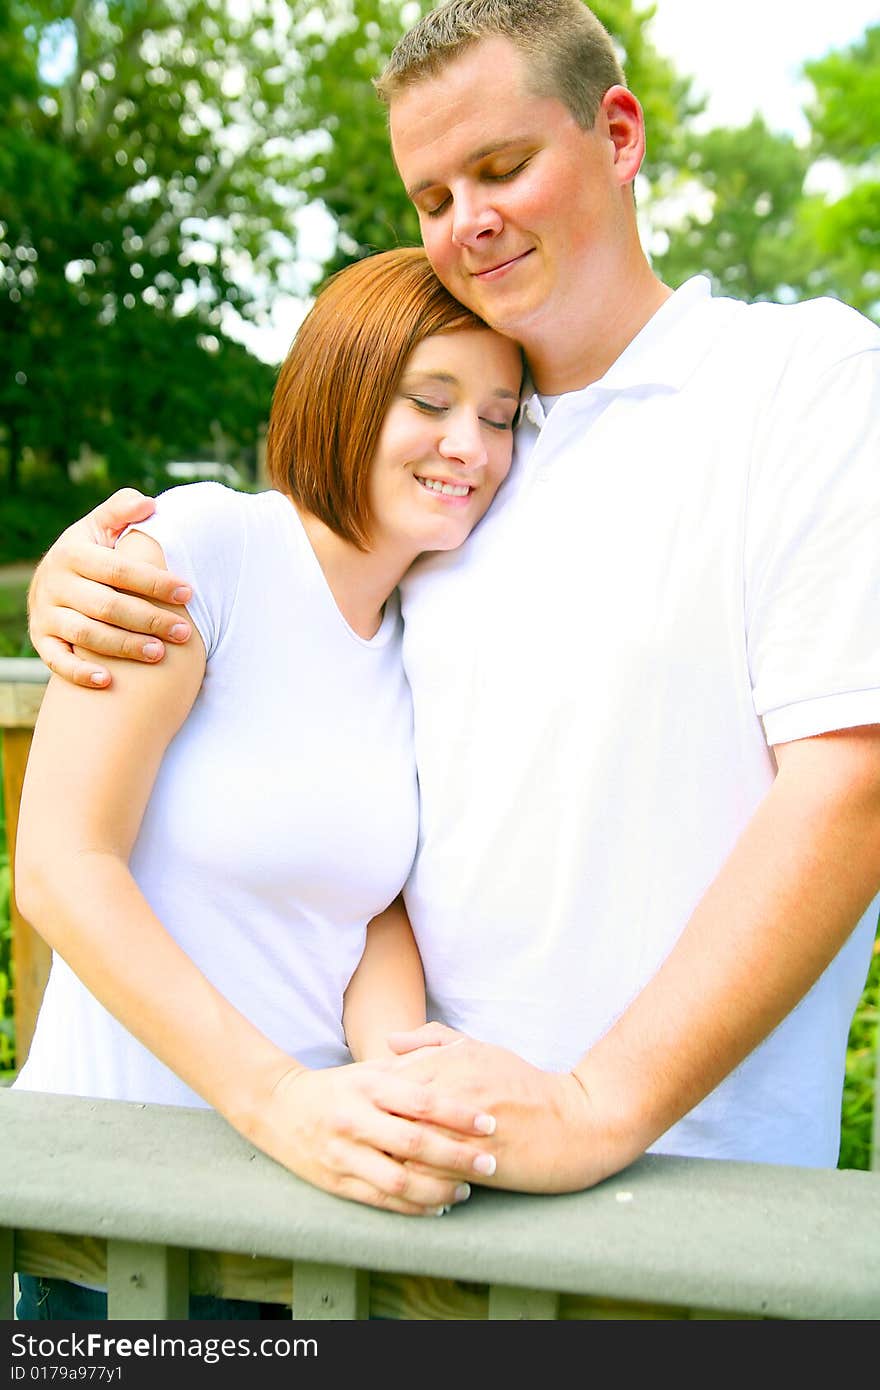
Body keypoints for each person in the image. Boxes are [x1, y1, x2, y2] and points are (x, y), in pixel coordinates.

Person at [26, 0, 880, 1193]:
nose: (467, 220)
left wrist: (595, 1105)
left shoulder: (801, 384)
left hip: (690, 1183)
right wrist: (82, 577)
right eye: (431, 197)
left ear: (618, 134)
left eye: (502, 166)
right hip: (415, 1178)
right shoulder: (455, 500)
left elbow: (850, 781)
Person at [14, 246, 523, 1318]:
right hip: (117, 1229)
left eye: (500, 414)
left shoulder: (417, 635)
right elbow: (62, 865)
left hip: (304, 1222)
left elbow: (365, 901)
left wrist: (391, 1059)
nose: (469, 446)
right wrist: (276, 1098)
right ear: (341, 392)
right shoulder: (204, 550)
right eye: (430, 400)